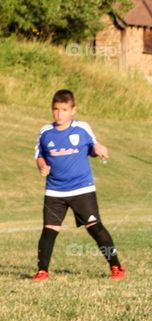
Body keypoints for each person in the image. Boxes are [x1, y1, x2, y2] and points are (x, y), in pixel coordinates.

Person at [33, 89, 125, 281]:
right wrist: (42, 166)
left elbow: (92, 147)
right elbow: (39, 155)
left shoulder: (82, 128)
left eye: (64, 110)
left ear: (73, 110)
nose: (60, 114)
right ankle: (42, 270)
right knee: (49, 231)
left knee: (95, 228)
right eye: (56, 109)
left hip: (82, 189)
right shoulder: (45, 132)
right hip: (55, 191)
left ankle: (116, 265)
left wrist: (98, 149)